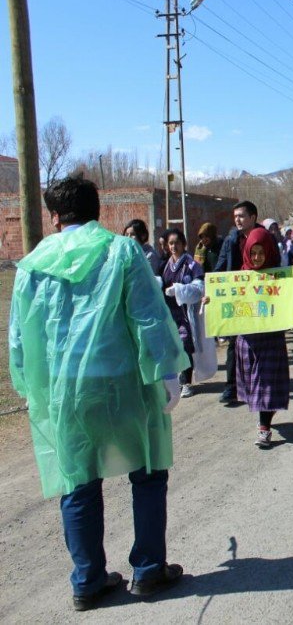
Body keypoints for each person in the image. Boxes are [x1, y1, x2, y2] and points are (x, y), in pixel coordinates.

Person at [10, 175, 188, 609]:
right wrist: (167, 373)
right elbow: (148, 316)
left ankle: (87, 579)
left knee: (78, 479)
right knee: (147, 470)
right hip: (125, 382)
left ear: (55, 217)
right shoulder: (121, 250)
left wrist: (27, 386)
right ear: (97, 210)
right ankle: (148, 570)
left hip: (64, 392)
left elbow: (20, 336)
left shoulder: (32, 264)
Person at [230, 226, 291, 446]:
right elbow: (227, 304)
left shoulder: (280, 277)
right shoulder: (238, 279)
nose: (257, 258)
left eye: (261, 253)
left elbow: (289, 302)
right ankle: (267, 413)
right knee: (254, 384)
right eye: (253, 253)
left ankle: (263, 428)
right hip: (248, 339)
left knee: (265, 382)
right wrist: (211, 303)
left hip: (271, 338)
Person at [214, 200, 263, 405]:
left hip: (261, 297)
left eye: (241, 216)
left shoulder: (263, 237)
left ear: (253, 217)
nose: (237, 220)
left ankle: (258, 384)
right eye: (235, 217)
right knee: (234, 344)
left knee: (260, 344)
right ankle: (231, 387)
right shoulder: (231, 240)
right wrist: (212, 289)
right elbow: (220, 267)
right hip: (236, 298)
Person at [161, 228, 211, 398]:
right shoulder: (165, 266)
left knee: (185, 346)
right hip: (170, 314)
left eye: (177, 243)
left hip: (187, 314)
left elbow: (199, 288)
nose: (173, 246)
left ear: (183, 244)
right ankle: (174, 381)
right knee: (173, 348)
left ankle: (186, 381)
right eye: (171, 243)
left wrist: (180, 290)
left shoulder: (192, 265)